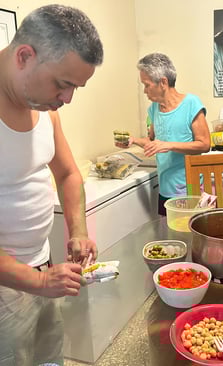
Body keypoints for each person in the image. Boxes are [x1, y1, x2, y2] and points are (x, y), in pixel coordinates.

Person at [0, 4, 103, 365]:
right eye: (63, 84)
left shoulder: (43, 107)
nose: (67, 99)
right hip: (6, 287)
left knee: (49, 358)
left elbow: (68, 174)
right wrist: (38, 283)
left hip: (43, 265)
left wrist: (77, 229)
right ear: (25, 56)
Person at [115, 53, 210, 215]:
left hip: (189, 190)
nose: (145, 91)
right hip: (165, 188)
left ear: (163, 82)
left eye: (147, 85)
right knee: (169, 237)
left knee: (189, 237)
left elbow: (204, 144)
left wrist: (168, 145)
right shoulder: (154, 109)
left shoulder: (191, 103)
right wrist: (134, 140)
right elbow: (152, 141)